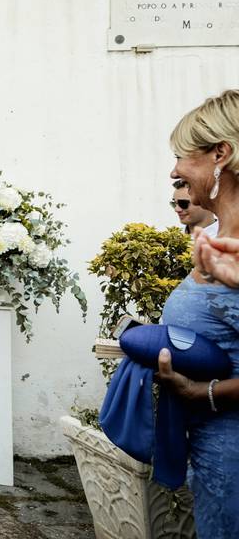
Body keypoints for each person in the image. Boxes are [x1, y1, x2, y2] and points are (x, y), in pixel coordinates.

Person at [155, 89, 239, 538]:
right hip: (212, 457)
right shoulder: (222, 236)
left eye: (183, 155)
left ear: (220, 154)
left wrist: (202, 392)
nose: (175, 170)